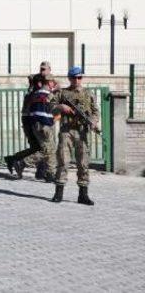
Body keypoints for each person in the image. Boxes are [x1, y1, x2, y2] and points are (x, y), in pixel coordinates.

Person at [51, 66, 99, 205]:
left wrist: (94, 122)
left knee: (83, 163)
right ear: (69, 78)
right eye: (74, 78)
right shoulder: (62, 93)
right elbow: (51, 107)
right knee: (63, 161)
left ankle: (83, 195)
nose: (77, 80)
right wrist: (61, 107)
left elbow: (95, 112)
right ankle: (58, 193)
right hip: (66, 131)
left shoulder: (88, 94)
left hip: (82, 132)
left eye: (79, 77)